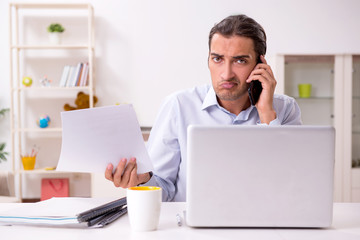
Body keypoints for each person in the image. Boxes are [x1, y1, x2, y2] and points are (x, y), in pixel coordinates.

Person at [105, 14, 302, 202]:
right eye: (218, 59)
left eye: (240, 60)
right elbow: (163, 189)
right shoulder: (179, 106)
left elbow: (291, 185)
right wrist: (142, 180)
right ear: (208, 60)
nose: (226, 74)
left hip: (262, 227)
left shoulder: (285, 109)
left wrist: (267, 113)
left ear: (260, 64)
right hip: (191, 229)